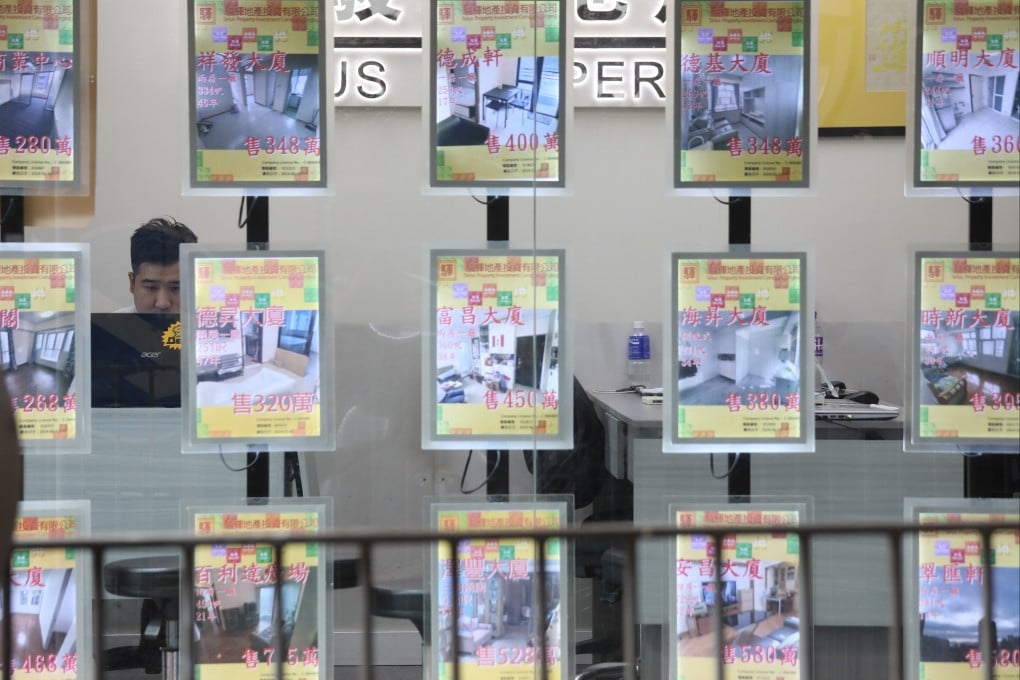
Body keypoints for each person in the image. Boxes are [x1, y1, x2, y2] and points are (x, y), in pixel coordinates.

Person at [119, 217, 198, 313]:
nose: (162, 304)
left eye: (176, 288)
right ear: (132, 284)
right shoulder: (109, 327)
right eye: (151, 287)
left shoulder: (212, 326)